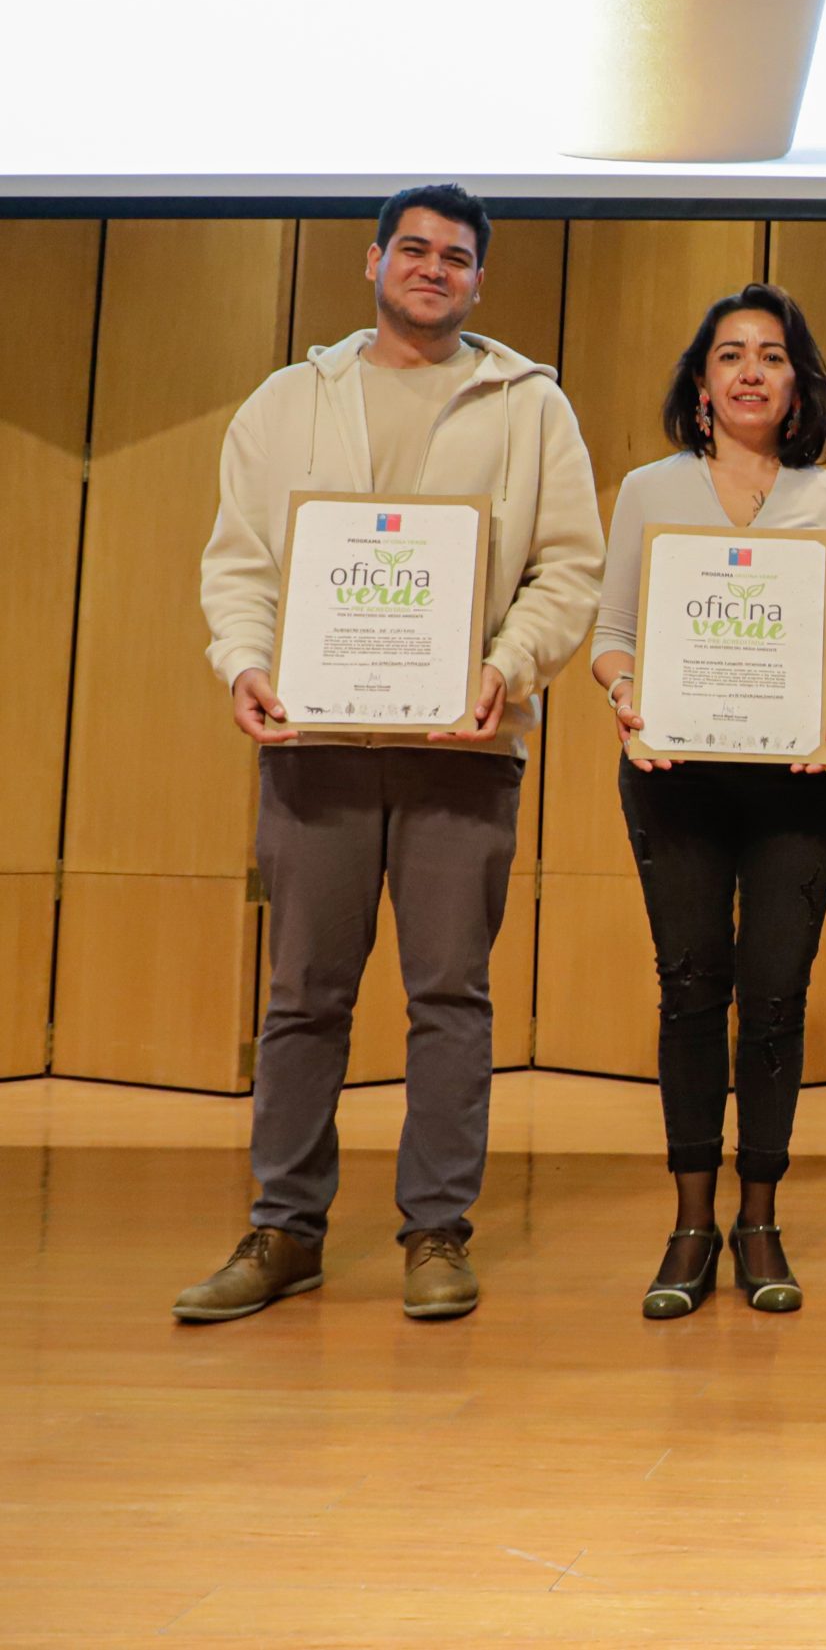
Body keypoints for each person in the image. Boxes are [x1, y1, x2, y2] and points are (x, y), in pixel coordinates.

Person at [180, 183, 605, 1322]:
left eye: (455, 257)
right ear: (371, 262)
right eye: (411, 249)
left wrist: (504, 669)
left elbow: (569, 569)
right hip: (313, 741)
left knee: (449, 996)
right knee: (304, 996)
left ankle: (435, 1231)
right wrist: (243, 662)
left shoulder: (530, 406)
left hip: (463, 747)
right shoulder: (285, 403)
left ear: (479, 280)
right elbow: (241, 564)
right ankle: (284, 1229)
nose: (432, 268)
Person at [589, 283, 826, 1318]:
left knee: (772, 993)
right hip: (673, 775)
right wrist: (627, 695)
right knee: (689, 986)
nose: (751, 370)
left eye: (771, 355)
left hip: (798, 781)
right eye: (731, 354)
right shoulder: (646, 489)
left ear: (798, 386)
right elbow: (612, 631)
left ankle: (758, 1218)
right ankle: (688, 1222)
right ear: (702, 382)